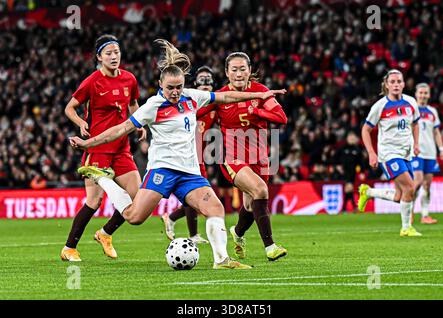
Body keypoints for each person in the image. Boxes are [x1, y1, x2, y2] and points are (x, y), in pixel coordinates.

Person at [69, 39, 287, 269]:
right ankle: (102, 178)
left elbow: (226, 97)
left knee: (215, 208)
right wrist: (88, 143)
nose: (175, 92)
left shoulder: (191, 97)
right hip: (162, 170)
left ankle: (221, 259)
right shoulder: (153, 105)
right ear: (160, 85)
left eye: (178, 87)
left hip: (189, 173)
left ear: (184, 84)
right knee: (134, 217)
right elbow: (121, 129)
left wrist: (259, 96)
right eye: (170, 88)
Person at [61, 34, 146, 261]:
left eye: (116, 52)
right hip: (97, 148)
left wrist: (138, 124)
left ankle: (105, 233)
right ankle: (69, 248)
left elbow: (133, 104)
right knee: (94, 201)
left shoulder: (129, 79)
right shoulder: (92, 81)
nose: (113, 56)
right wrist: (81, 123)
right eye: (108, 53)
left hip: (122, 149)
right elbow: (70, 108)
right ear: (99, 57)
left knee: (137, 199)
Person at [196, 52, 288, 261]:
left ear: (249, 70)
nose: (238, 73)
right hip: (232, 156)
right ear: (227, 73)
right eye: (234, 70)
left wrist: (259, 113)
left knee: (250, 205)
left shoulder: (261, 91)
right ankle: (270, 247)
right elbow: (194, 113)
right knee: (260, 190)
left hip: (260, 156)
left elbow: (281, 117)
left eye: (242, 69)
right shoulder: (220, 96)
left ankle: (237, 233)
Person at [358, 69, 422, 237]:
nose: (396, 85)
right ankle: (406, 228)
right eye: (392, 82)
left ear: (403, 84)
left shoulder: (411, 102)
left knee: (400, 195)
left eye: (399, 81)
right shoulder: (380, 106)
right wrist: (372, 153)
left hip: (406, 153)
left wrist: (416, 143)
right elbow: (365, 129)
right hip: (389, 153)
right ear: (386, 85)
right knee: (410, 187)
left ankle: (368, 192)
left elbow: (415, 124)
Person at [162, 66, 217, 244]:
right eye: (201, 80)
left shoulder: (214, 106)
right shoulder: (190, 102)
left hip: (197, 156)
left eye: (209, 81)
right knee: (195, 196)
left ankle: (174, 220)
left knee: (195, 197)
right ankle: (186, 229)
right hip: (183, 156)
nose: (205, 84)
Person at [411, 83, 443, 224]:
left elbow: (436, 132)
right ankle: (409, 210)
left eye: (426, 93)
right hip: (416, 152)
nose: (423, 95)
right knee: (417, 182)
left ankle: (425, 215)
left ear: (429, 95)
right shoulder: (411, 110)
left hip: (431, 153)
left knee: (427, 185)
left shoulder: (432, 112)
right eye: (421, 92)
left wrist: (441, 149)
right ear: (416, 94)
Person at [335, 131, 365, 213]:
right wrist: (337, 166)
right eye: (350, 137)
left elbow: (361, 161)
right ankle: (353, 207)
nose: (351, 139)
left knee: (348, 189)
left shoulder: (357, 149)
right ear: (347, 138)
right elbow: (335, 157)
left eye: (353, 137)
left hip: (353, 172)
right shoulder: (343, 148)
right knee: (349, 188)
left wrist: (362, 171)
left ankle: (345, 208)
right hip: (344, 172)